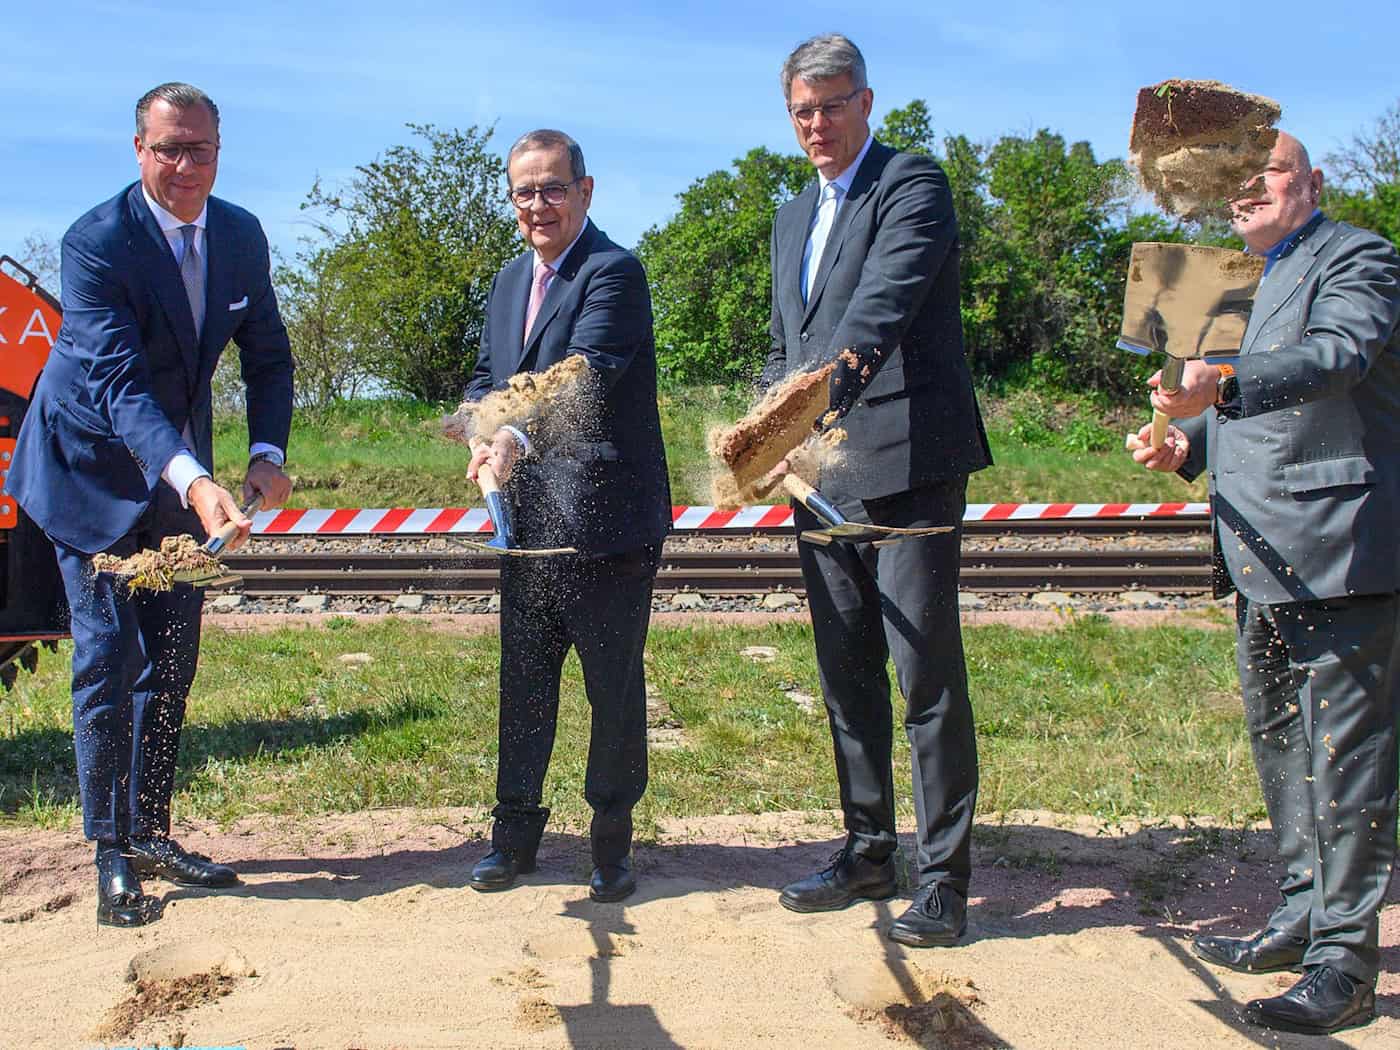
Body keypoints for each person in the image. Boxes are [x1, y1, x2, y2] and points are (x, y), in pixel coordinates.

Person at [1130, 131, 1400, 1036]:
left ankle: (1345, 964)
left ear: (1311, 182)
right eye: (1235, 182)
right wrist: (1186, 441)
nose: (1247, 192)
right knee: (1281, 741)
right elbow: (1238, 405)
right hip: (1258, 552)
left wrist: (1219, 381)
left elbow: (1334, 357)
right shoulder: (1237, 279)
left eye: (1267, 175)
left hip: (1340, 547)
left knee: (1347, 761)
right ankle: (1300, 912)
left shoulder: (1356, 256)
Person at [4, 83, 294, 926]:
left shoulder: (240, 235)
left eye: (200, 148)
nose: (185, 165)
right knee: (106, 659)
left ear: (219, 150)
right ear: (139, 150)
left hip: (177, 466)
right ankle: (110, 854)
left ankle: (152, 831)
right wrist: (195, 481)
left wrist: (267, 453)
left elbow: (268, 354)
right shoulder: (96, 242)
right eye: (168, 148)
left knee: (171, 660)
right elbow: (120, 385)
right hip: (88, 469)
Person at [762, 34, 992, 947]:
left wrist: (803, 416)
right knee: (846, 671)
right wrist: (768, 437)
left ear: (865, 102)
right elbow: (786, 343)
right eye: (802, 111)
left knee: (922, 673)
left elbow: (879, 311)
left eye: (831, 106)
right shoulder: (790, 218)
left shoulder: (912, 184)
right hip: (821, 479)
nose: (817, 124)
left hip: (907, 462)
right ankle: (867, 851)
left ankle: (943, 880)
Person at [463, 129, 671, 903]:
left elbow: (585, 373)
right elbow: (488, 378)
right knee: (523, 683)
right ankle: (512, 841)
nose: (538, 205)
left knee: (611, 692)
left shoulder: (614, 272)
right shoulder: (508, 281)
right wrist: (477, 430)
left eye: (552, 188)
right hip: (528, 524)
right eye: (524, 191)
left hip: (606, 524)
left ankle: (610, 848)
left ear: (585, 190)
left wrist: (512, 435)